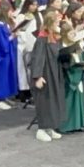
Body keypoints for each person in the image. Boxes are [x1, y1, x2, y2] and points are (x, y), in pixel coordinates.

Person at [28, 11, 65, 142]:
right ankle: (41, 129)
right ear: (51, 23)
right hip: (45, 75)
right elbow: (37, 58)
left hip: (54, 73)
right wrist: (37, 77)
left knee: (53, 101)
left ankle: (50, 127)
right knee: (44, 101)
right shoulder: (42, 39)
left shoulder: (54, 37)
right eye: (56, 22)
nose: (58, 24)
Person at [0, 4, 19, 110]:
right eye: (10, 11)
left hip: (8, 55)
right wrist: (12, 36)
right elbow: (2, 43)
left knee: (7, 76)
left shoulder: (5, 24)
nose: (12, 13)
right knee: (2, 77)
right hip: (1, 56)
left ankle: (5, 96)